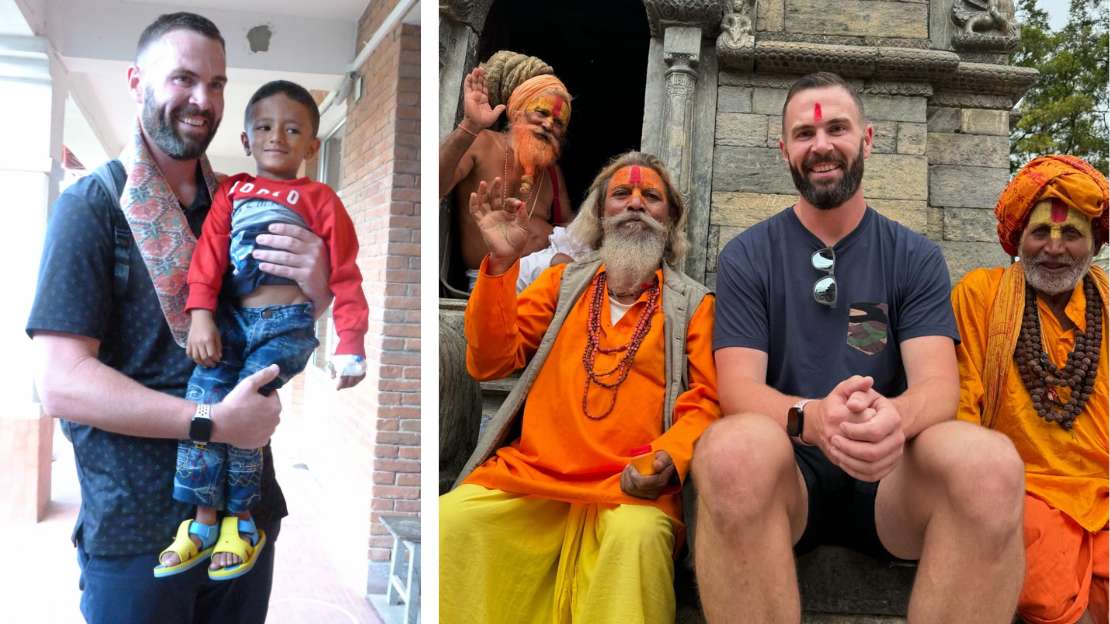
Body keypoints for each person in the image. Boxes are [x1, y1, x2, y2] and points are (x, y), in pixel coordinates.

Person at [27, 13, 331, 624]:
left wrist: (318, 284)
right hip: (138, 528)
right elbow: (59, 382)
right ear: (138, 81)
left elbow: (278, 333)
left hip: (243, 519)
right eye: (184, 79)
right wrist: (213, 423)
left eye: (217, 84)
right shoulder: (93, 208)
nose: (203, 100)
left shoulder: (245, 206)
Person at [695, 71, 1026, 622]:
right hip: (788, 471)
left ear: (866, 139)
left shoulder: (912, 256)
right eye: (804, 134)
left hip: (890, 478)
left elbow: (939, 388)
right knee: (730, 451)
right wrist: (815, 419)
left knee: (991, 464)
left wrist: (893, 419)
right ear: (784, 151)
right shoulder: (748, 257)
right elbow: (739, 388)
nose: (821, 145)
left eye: (837, 129)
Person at [439, 151, 720, 623]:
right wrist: (502, 265)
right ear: (600, 215)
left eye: (650, 197)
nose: (635, 203)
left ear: (669, 221)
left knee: (639, 540)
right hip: (532, 479)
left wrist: (668, 458)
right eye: (621, 195)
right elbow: (490, 362)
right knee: (455, 521)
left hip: (628, 492)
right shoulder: (560, 283)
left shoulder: (694, 304)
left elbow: (708, 401)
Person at [154, 80, 368, 581]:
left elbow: (346, 274)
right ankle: (202, 522)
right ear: (247, 139)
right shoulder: (233, 191)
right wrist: (202, 312)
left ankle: (242, 520)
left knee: (246, 408)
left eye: (293, 129)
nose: (278, 136)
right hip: (230, 321)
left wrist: (351, 345)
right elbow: (209, 252)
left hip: (285, 327)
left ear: (313, 146)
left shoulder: (321, 199)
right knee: (205, 400)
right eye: (266, 127)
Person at [951, 155, 1108, 624]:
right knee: (1050, 596)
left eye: (1071, 234)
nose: (1054, 248)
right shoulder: (981, 295)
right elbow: (958, 409)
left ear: (1094, 244)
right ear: (1017, 240)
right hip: (1022, 491)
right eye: (1040, 233)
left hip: (1103, 492)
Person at [438, 50, 576, 291]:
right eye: (541, 113)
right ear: (518, 110)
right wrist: (470, 125)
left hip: (545, 279)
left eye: (558, 123)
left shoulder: (551, 171)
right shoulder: (482, 142)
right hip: (490, 278)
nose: (548, 125)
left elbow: (569, 227)